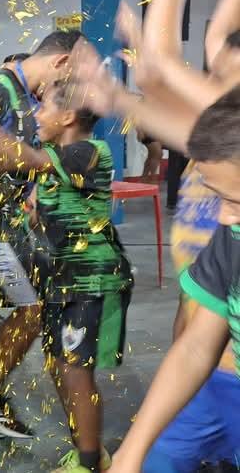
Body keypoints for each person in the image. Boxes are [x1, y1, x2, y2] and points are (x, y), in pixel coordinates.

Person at [0, 79, 133, 472]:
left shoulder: (86, 152)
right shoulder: (57, 156)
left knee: (73, 370)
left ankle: (89, 463)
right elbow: (17, 165)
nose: (35, 114)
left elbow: (25, 158)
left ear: (67, 116)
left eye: (43, 107)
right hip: (60, 280)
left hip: (89, 280)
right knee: (57, 365)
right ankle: (87, 450)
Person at [0, 30, 86, 440]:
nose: (66, 91)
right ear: (61, 63)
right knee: (34, 308)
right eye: (72, 77)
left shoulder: (15, 91)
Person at [108, 86, 240, 473]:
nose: (223, 217)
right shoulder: (233, 236)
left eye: (235, 201)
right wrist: (131, 453)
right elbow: (198, 345)